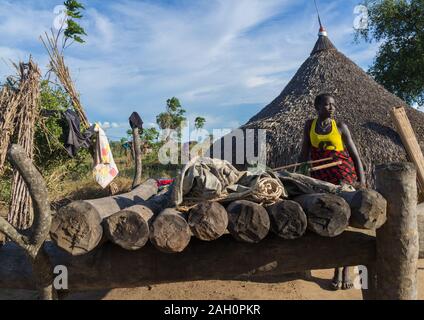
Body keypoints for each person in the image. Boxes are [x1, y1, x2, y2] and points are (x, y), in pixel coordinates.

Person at [299, 93, 366, 290]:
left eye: (333, 105)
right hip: (320, 178)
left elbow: (355, 156)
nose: (331, 108)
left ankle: (342, 269)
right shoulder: (309, 125)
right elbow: (304, 153)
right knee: (329, 219)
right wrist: (295, 175)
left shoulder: (341, 127)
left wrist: (362, 181)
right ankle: (332, 263)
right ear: (317, 106)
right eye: (327, 104)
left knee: (344, 221)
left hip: (342, 177)